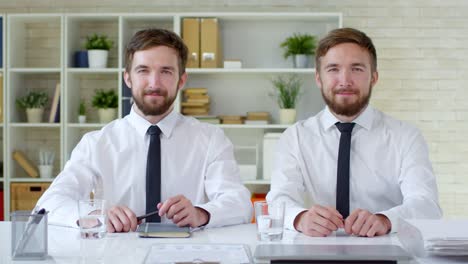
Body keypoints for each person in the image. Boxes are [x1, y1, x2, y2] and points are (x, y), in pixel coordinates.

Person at [36, 28, 252, 232]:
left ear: (182, 80)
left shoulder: (211, 139)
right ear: (127, 78)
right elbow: (48, 205)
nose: (154, 83)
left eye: (166, 71)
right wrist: (95, 216)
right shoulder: (97, 143)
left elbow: (240, 203)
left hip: (187, 255)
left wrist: (201, 213)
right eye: (143, 70)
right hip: (118, 255)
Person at [266, 28, 442, 238]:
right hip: (316, 251)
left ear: (374, 77)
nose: (345, 80)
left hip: (388, 250)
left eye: (357, 69)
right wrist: (300, 218)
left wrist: (385, 220)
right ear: (318, 78)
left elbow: (426, 205)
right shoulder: (294, 137)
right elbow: (279, 198)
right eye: (333, 69)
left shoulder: (406, 137)